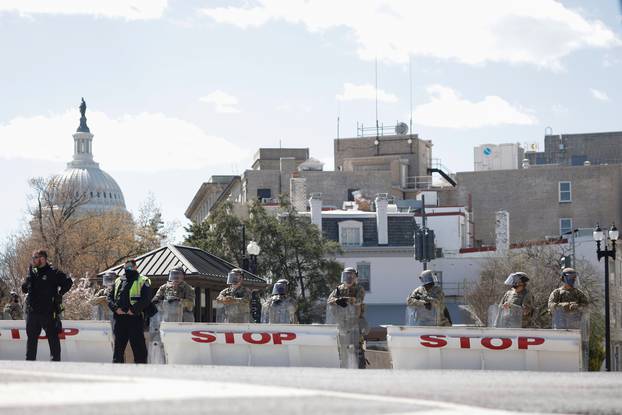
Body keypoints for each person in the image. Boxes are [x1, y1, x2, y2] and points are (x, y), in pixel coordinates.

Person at [21, 249, 73, 361]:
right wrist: (27, 282)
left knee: (53, 339)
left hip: (48, 312)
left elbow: (68, 282)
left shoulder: (53, 272)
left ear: (43, 259)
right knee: (31, 341)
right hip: (33, 312)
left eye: (35, 257)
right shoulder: (32, 271)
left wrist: (60, 293)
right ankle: (29, 365)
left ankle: (55, 365)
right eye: (33, 257)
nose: (33, 260)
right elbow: (24, 289)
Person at [107, 259, 151, 363]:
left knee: (139, 349)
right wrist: (115, 309)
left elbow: (146, 299)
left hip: (134, 318)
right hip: (120, 318)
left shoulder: (143, 280)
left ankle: (141, 373)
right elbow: (109, 297)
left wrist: (133, 310)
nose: (128, 269)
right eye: (126, 268)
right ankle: (118, 373)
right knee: (118, 350)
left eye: (130, 267)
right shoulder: (118, 280)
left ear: (136, 267)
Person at [327, 267, 367, 368]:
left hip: (355, 321)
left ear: (355, 277)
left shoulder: (359, 289)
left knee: (357, 347)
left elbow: (358, 301)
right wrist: (337, 300)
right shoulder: (339, 289)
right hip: (342, 323)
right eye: (347, 275)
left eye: (351, 275)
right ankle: (344, 367)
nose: (349, 277)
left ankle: (360, 368)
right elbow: (329, 301)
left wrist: (346, 300)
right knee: (343, 348)